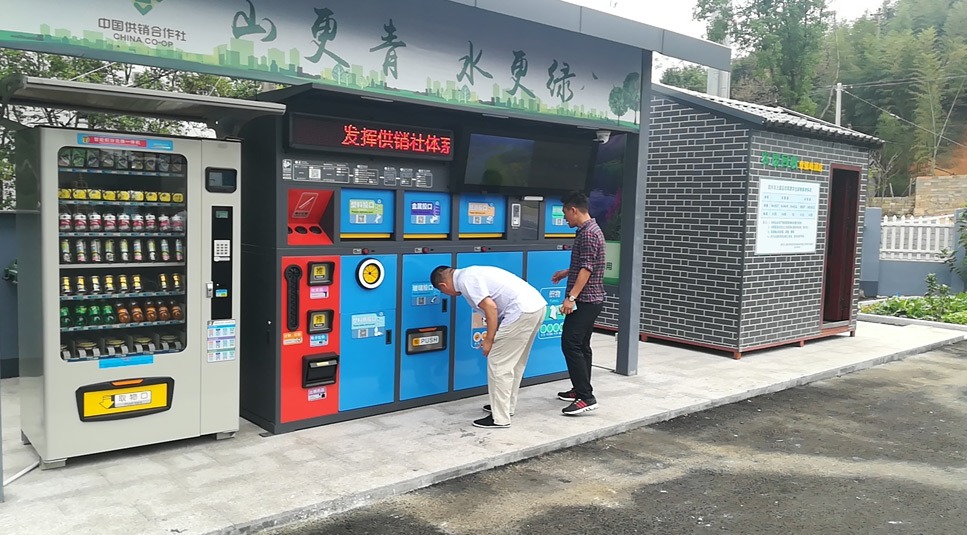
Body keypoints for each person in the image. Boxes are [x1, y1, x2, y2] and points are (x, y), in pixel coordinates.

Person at [431, 264, 547, 428]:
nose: (448, 295)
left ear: (443, 286)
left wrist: (489, 339)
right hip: (535, 307)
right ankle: (505, 408)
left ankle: (500, 418)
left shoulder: (466, 281)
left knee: (499, 364)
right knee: (514, 363)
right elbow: (493, 310)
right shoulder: (471, 273)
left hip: (520, 312)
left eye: (443, 292)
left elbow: (491, 307)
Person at [551, 191, 606, 416]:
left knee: (570, 344)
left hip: (585, 300)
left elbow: (587, 269)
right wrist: (566, 272)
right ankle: (580, 389)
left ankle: (586, 397)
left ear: (574, 210)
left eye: (565, 213)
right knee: (582, 345)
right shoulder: (590, 230)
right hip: (591, 299)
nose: (564, 218)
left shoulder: (588, 234)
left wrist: (571, 298)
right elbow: (587, 263)